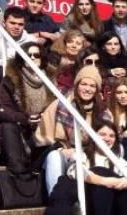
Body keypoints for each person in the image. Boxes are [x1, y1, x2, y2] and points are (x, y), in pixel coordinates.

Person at [0, 40, 55, 170]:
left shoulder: (51, 81)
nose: (32, 58)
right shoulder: (11, 79)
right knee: (7, 127)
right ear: (21, 59)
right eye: (28, 55)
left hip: (44, 129)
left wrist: (45, 117)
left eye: (36, 55)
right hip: (21, 129)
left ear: (42, 59)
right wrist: (24, 118)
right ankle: (18, 171)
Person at [38, 66, 112, 195]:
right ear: (77, 85)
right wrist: (61, 150)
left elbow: (110, 139)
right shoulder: (60, 105)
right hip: (63, 153)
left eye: (92, 86)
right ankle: (55, 199)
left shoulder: (103, 112)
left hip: (91, 155)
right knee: (54, 157)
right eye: (83, 84)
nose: (87, 89)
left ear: (97, 90)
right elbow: (43, 137)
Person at [66, 120, 127, 215]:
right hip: (90, 210)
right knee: (101, 172)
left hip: (110, 210)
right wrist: (104, 181)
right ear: (93, 136)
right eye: (102, 134)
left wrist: (125, 181)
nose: (107, 138)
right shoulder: (82, 155)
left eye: (112, 135)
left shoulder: (117, 159)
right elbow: (75, 172)